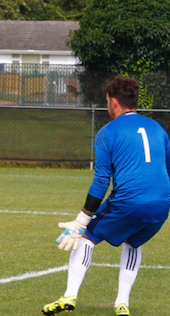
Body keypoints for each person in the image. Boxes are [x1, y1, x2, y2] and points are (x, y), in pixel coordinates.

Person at [42, 76, 170, 316]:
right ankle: (122, 303)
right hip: (162, 204)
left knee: (87, 237)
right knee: (134, 241)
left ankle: (70, 296)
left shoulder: (107, 132)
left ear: (113, 102)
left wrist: (81, 220)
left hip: (129, 201)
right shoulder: (159, 129)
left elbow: (101, 181)